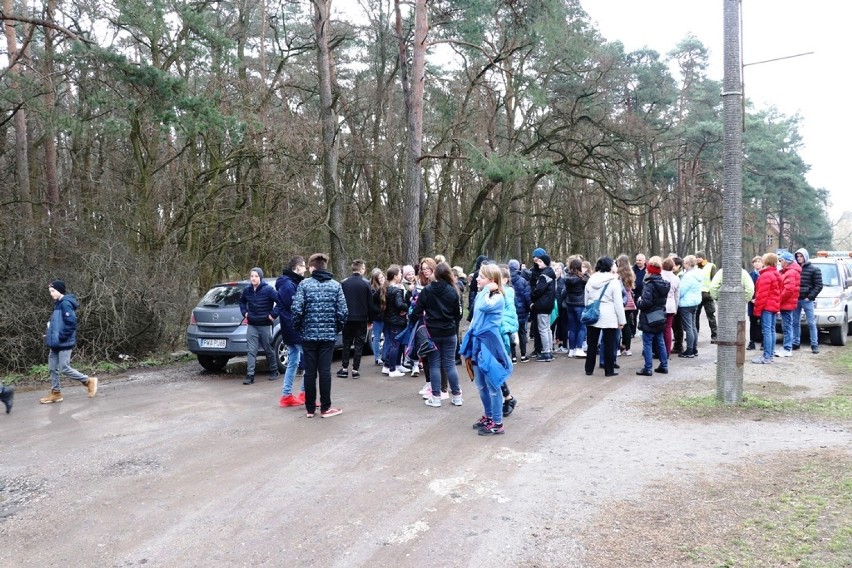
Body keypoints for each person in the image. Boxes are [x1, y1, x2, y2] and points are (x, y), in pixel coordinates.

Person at [291, 253, 348, 418]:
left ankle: (310, 409)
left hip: (308, 335)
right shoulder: (335, 286)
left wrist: (299, 328)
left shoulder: (304, 285)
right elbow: (343, 312)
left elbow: (296, 310)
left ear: (311, 267)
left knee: (309, 372)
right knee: (325, 371)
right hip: (327, 336)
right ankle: (325, 407)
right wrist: (335, 328)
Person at [461, 264, 513, 436]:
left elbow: (483, 306)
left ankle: (497, 423)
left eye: (481, 277)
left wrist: (485, 290)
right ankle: (489, 416)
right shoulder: (485, 295)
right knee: (481, 386)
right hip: (477, 343)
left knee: (493, 386)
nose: (477, 279)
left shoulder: (497, 298)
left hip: (489, 345)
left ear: (491, 280)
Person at [409, 262, 463, 408]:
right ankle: (457, 396)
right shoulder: (453, 291)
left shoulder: (427, 291)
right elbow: (458, 313)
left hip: (432, 332)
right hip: (449, 331)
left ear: (435, 274)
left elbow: (417, 311)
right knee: (450, 364)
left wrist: (415, 320)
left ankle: (436, 397)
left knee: (434, 364)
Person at [40, 280, 98, 403]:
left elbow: (71, 324)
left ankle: (88, 381)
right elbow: (57, 324)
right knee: (52, 367)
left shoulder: (65, 304)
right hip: (55, 343)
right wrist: (50, 335)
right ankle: (56, 393)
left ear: (59, 290)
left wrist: (60, 337)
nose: (51, 294)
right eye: (50, 291)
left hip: (64, 342)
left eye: (52, 291)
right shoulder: (58, 304)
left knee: (64, 367)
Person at [583, 257, 626, 377]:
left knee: (592, 343)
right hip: (609, 315)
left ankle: (589, 368)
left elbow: (586, 297)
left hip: (593, 312)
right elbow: (618, 303)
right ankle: (609, 370)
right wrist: (621, 320)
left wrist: (588, 309)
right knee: (609, 343)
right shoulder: (613, 281)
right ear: (610, 267)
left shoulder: (591, 280)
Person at [275, 256, 307, 407]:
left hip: (290, 328)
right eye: (304, 266)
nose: (306, 269)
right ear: (297, 267)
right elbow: (295, 307)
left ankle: (287, 395)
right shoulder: (288, 285)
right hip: (294, 328)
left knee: (293, 361)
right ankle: (304, 393)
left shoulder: (290, 283)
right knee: (308, 361)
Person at [239, 267, 279, 385]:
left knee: (268, 349)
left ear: (260, 277)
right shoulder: (247, 290)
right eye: (252, 276)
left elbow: (281, 302)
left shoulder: (268, 290)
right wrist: (245, 313)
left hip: (265, 325)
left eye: (256, 276)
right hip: (252, 325)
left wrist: (273, 315)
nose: (253, 278)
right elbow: (241, 302)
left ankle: (274, 370)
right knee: (251, 350)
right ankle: (250, 375)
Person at [338, 260, 373, 379]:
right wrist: (370, 319)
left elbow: (340, 301)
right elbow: (370, 303)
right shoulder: (366, 283)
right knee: (359, 344)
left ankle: (344, 368)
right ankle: (355, 369)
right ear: (362, 269)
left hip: (347, 318)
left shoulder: (344, 283)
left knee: (346, 343)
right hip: (361, 318)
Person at [636, 256, 670, 375]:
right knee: (660, 341)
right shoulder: (664, 284)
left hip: (649, 317)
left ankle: (648, 367)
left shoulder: (649, 284)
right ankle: (664, 365)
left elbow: (646, 303)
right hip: (660, 315)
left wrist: (639, 301)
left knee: (648, 342)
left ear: (650, 271)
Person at [752, 252, 782, 364]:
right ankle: (770, 355)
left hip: (767, 307)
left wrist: (757, 310)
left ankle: (766, 356)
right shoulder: (776, 274)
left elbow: (761, 295)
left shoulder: (765, 275)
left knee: (767, 331)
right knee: (772, 330)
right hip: (774, 306)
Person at [379, 265, 409, 377]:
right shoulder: (396, 290)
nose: (401, 276)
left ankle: (390, 365)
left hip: (388, 320)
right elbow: (399, 304)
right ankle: (392, 369)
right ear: (395, 276)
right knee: (395, 345)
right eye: (400, 274)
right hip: (396, 321)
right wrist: (407, 306)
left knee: (395, 344)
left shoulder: (385, 288)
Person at [792, 248, 823, 354]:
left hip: (807, 300)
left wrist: (810, 297)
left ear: (805, 256)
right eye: (798, 256)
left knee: (811, 323)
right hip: (796, 299)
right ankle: (796, 342)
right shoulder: (795, 269)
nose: (799, 258)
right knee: (795, 322)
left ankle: (814, 344)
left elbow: (818, 285)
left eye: (801, 256)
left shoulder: (814, 269)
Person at [530, 254, 557, 362]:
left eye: (540, 261)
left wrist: (533, 297)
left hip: (542, 305)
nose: (537, 263)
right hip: (548, 304)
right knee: (547, 328)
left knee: (543, 329)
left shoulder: (544, 275)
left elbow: (538, 290)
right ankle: (549, 350)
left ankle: (546, 352)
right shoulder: (551, 273)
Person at [562, 258, 588, 358]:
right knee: (582, 327)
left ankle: (571, 350)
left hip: (570, 304)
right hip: (580, 304)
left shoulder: (567, 278)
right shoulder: (582, 279)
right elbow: (589, 281)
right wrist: (585, 273)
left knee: (572, 328)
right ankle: (579, 348)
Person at [678, 256, 703, 358]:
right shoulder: (698, 274)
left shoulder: (688, 276)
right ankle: (694, 348)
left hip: (686, 303)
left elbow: (681, 291)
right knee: (692, 326)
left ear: (688, 264)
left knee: (688, 328)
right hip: (695, 302)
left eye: (684, 263)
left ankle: (689, 350)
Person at [778, 252, 802, 357]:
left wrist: (779, 300)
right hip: (788, 303)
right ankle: (787, 347)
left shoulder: (791, 272)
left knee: (787, 326)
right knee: (788, 325)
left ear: (786, 261)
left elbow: (788, 290)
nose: (780, 263)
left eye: (781, 260)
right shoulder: (789, 271)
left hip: (787, 304)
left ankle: (787, 348)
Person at [508, 259, 531, 363]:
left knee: (511, 333)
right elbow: (527, 296)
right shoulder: (523, 281)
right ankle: (523, 355)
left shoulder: (506, 281)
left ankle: (513, 356)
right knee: (522, 332)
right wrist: (529, 307)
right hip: (522, 311)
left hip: (511, 311)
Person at [695, 251, 718, 342]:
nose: (697, 258)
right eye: (696, 257)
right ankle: (695, 334)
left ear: (703, 258)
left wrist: (712, 293)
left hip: (707, 295)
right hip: (697, 295)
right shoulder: (695, 267)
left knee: (711, 315)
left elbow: (714, 280)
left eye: (699, 257)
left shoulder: (711, 266)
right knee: (695, 315)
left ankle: (715, 335)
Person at [660, 257, 680, 354]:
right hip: (671, 305)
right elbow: (677, 295)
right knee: (668, 329)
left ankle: (660, 350)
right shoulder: (676, 279)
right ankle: (667, 351)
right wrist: (675, 307)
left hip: (660, 305)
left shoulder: (659, 276)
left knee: (659, 329)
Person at [369, 268, 385, 366]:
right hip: (377, 317)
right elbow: (372, 304)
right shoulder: (373, 289)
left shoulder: (386, 286)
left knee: (387, 337)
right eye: (379, 278)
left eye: (382, 277)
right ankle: (377, 357)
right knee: (377, 337)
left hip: (386, 316)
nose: (382, 279)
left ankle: (383, 354)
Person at [746, 256, 763, 350]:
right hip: (752, 302)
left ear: (762, 263)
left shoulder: (764, 274)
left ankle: (763, 342)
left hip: (762, 302)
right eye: (755, 262)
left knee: (763, 322)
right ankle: (752, 342)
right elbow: (747, 288)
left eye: (759, 261)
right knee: (752, 323)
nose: (757, 263)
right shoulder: (750, 275)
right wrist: (751, 299)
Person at [631, 253, 647, 337]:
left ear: (644, 261)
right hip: (635, 294)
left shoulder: (648, 269)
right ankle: (632, 332)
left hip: (645, 294)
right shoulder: (632, 269)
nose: (638, 262)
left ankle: (643, 330)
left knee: (644, 314)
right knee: (633, 314)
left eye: (640, 260)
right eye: (637, 260)